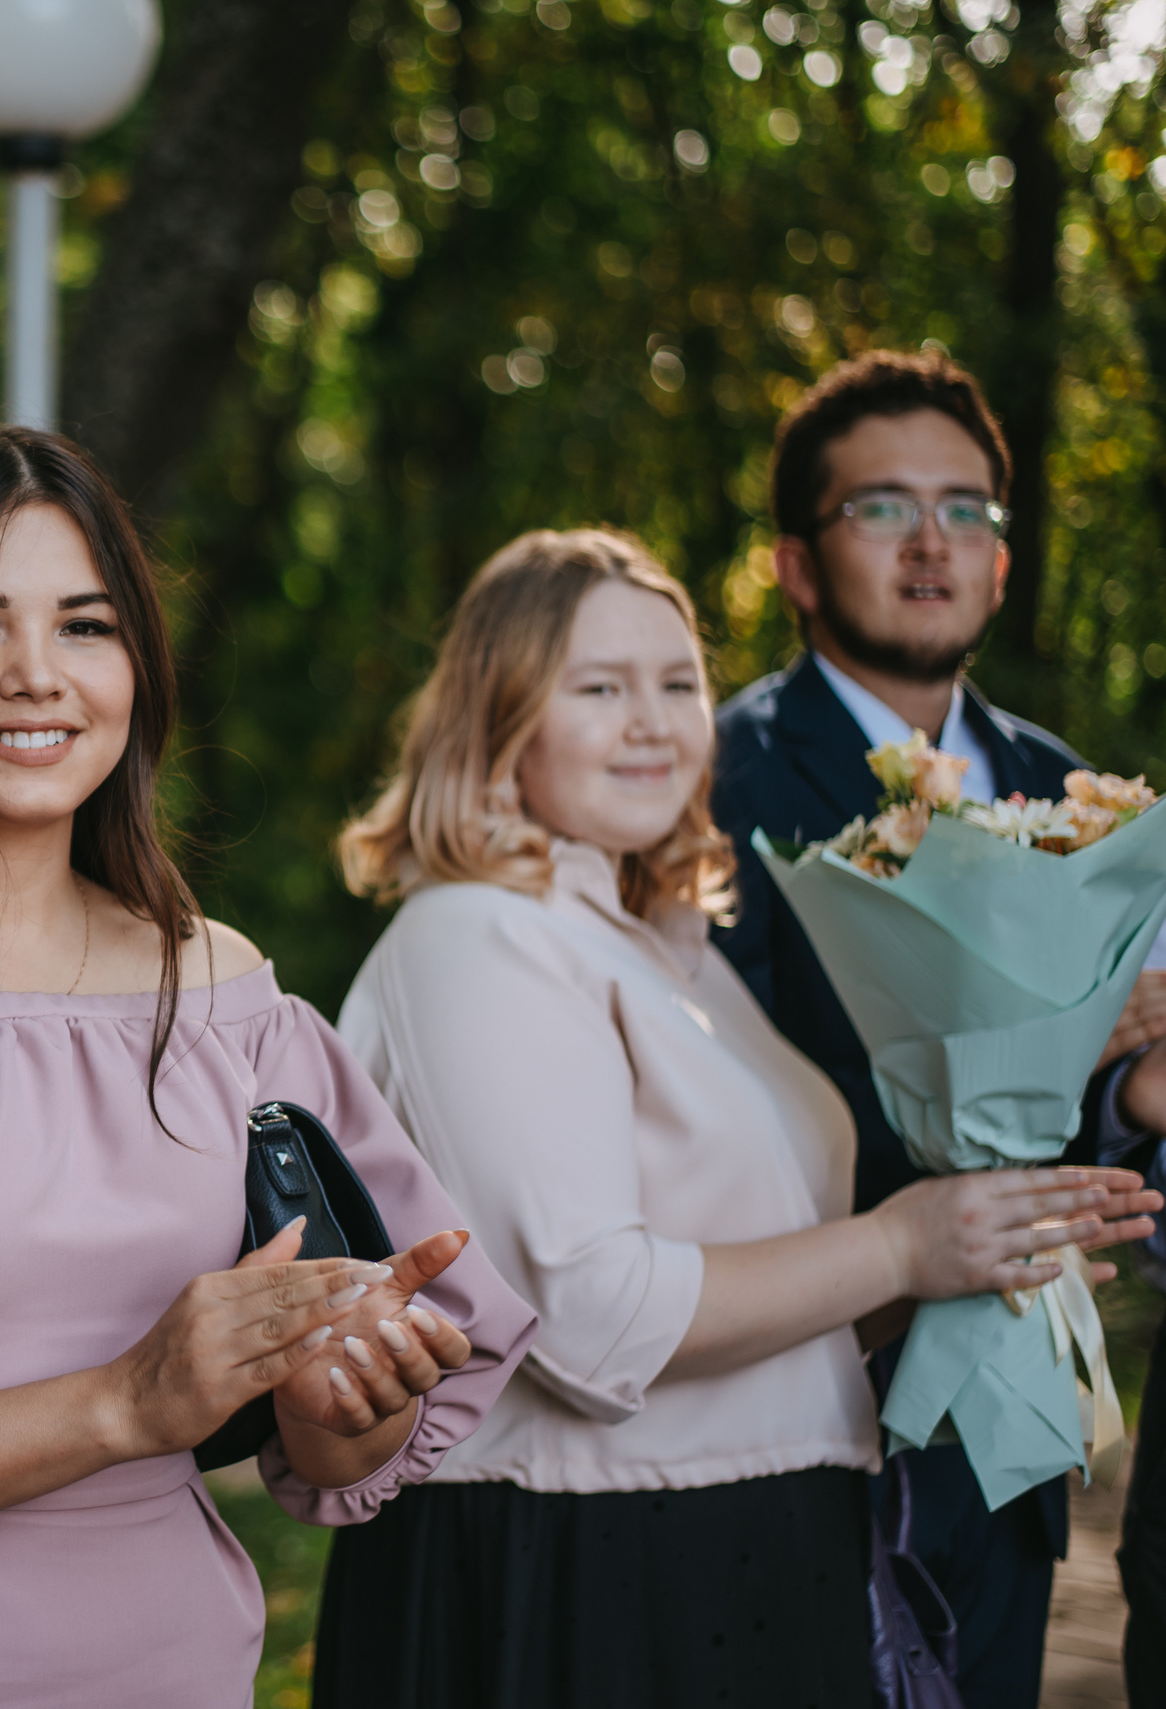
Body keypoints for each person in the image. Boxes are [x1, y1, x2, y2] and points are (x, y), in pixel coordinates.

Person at [0, 423, 538, 1709]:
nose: (35, 676)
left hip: (175, 1669)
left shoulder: (223, 993)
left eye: (84, 625)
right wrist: (126, 1401)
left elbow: (349, 1446)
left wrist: (350, 1396)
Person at [316, 528, 1159, 1708]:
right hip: (580, 1572)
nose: (653, 721)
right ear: (498, 715)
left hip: (760, 1542)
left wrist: (958, 1266)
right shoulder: (479, 935)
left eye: (677, 683)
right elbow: (586, 1312)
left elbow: (769, 1287)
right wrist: (900, 1241)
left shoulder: (669, 950)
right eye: (599, 687)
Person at [712, 348, 1166, 1708]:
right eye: (883, 508)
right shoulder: (717, 777)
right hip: (799, 1397)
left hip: (1004, 1421)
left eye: (966, 510)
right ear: (796, 564)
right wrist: (1043, 1045)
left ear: (1003, 561)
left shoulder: (1067, 784)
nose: (931, 544)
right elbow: (708, 1094)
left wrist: (1130, 1101)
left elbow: (1094, 1116)